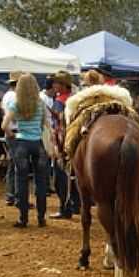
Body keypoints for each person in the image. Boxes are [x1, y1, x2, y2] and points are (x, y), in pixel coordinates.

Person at [2, 73, 49, 228]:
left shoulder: (16, 103)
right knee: (41, 182)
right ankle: (41, 218)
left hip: (21, 143)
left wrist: (12, 135)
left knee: (21, 181)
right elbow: (44, 125)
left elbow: (4, 125)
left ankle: (23, 219)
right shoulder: (40, 103)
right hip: (37, 143)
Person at [50, 70, 80, 219]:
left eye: (56, 82)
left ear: (63, 85)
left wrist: (57, 147)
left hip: (63, 143)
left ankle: (65, 208)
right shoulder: (75, 99)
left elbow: (59, 126)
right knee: (74, 176)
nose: (53, 85)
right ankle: (76, 206)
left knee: (60, 178)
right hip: (76, 141)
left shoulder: (60, 102)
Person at [1, 71, 23, 206]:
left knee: (13, 164)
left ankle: (11, 195)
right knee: (18, 165)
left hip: (11, 131)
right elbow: (14, 116)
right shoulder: (14, 97)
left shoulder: (7, 95)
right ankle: (16, 196)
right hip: (14, 131)